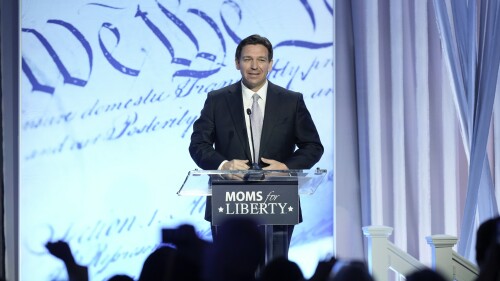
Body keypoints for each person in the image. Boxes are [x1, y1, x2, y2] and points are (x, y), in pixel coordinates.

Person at [189, 34, 324, 255]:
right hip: (230, 201)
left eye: (261, 60)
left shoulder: (291, 101)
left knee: (274, 273)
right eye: (247, 59)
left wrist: (286, 168)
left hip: (278, 199)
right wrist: (223, 165)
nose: (254, 66)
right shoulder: (217, 100)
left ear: (270, 64)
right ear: (237, 62)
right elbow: (198, 145)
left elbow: (313, 146)